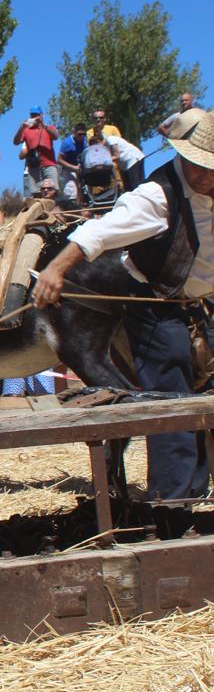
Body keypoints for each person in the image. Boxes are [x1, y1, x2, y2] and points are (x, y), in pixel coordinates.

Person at [35, 108, 214, 503]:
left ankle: (197, 492)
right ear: (182, 157)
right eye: (198, 166)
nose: (205, 176)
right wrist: (56, 269)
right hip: (155, 307)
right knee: (171, 405)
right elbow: (98, 232)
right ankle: (172, 505)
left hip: (202, 308)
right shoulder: (156, 196)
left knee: (204, 403)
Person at [14, 106, 59, 198]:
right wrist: (21, 128)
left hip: (49, 164)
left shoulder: (48, 127)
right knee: (36, 192)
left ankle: (54, 211)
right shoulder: (26, 130)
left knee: (53, 190)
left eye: (37, 115)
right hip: (34, 165)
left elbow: (55, 136)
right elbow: (16, 142)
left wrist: (43, 125)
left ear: (42, 115)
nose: (35, 117)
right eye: (32, 116)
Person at [56, 122, 88, 208]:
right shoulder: (67, 143)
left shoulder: (85, 141)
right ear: (74, 132)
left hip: (80, 169)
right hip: (67, 169)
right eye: (79, 134)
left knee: (83, 191)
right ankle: (70, 209)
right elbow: (59, 160)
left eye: (83, 134)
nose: (81, 136)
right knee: (71, 191)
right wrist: (73, 168)